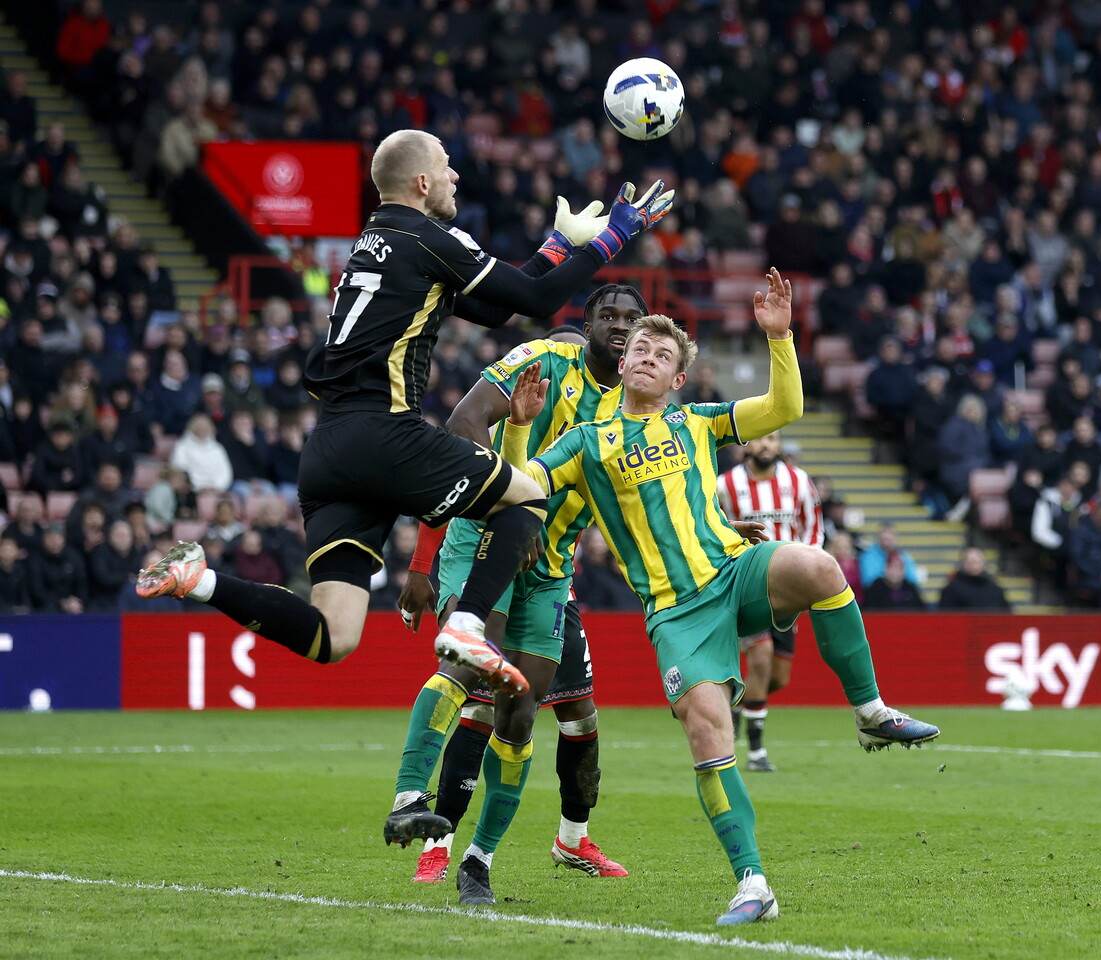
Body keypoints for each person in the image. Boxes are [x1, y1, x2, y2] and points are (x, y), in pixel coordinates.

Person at [135, 129, 674, 792]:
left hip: (327, 454)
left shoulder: (376, 246)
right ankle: (470, 626)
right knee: (528, 497)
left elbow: (496, 303)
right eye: (447, 168)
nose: (454, 178)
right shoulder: (426, 237)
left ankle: (200, 581)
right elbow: (533, 304)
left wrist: (561, 246)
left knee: (334, 636)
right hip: (383, 434)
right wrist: (615, 235)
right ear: (420, 183)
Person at [494, 269, 938, 924]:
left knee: (818, 565)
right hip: (677, 612)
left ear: (678, 379)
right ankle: (753, 882)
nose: (644, 355)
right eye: (638, 349)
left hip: (733, 571)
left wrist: (780, 337)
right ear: (623, 366)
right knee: (707, 731)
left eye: (661, 354)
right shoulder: (586, 441)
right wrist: (516, 428)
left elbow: (784, 408)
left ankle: (869, 709)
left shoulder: (697, 422)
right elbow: (517, 484)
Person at [386, 289, 648, 885]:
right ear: (585, 327)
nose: (619, 327)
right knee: (472, 667)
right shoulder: (542, 361)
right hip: (488, 536)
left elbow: (635, 502)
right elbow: (460, 425)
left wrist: (711, 532)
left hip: (553, 566)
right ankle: (411, 800)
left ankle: (478, 862)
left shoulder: (636, 413)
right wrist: (508, 508)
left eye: (631, 319)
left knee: (521, 711)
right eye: (607, 316)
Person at [717, 429, 824, 772]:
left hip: (789, 590)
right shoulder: (725, 484)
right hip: (747, 585)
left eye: (774, 439)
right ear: (745, 446)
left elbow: (813, 530)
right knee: (759, 660)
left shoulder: (799, 481)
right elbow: (712, 528)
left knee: (778, 677)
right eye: (761, 438)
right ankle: (756, 752)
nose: (767, 445)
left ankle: (735, 706)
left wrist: (808, 571)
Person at [936, 548, 1012, 610]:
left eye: (977, 562)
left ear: (984, 563)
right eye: (970, 562)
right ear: (963, 564)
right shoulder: (951, 589)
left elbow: (1007, 615)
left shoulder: (995, 589)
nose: (974, 565)